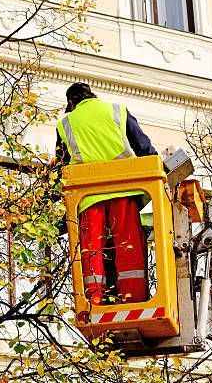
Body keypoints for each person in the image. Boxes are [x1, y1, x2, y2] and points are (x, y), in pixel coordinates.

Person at [55, 82, 157, 305]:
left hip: (87, 196)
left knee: (92, 248)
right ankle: (134, 298)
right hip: (124, 189)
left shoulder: (66, 123)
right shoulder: (117, 110)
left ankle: (94, 299)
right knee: (128, 244)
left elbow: (60, 167)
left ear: (71, 103)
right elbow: (145, 149)